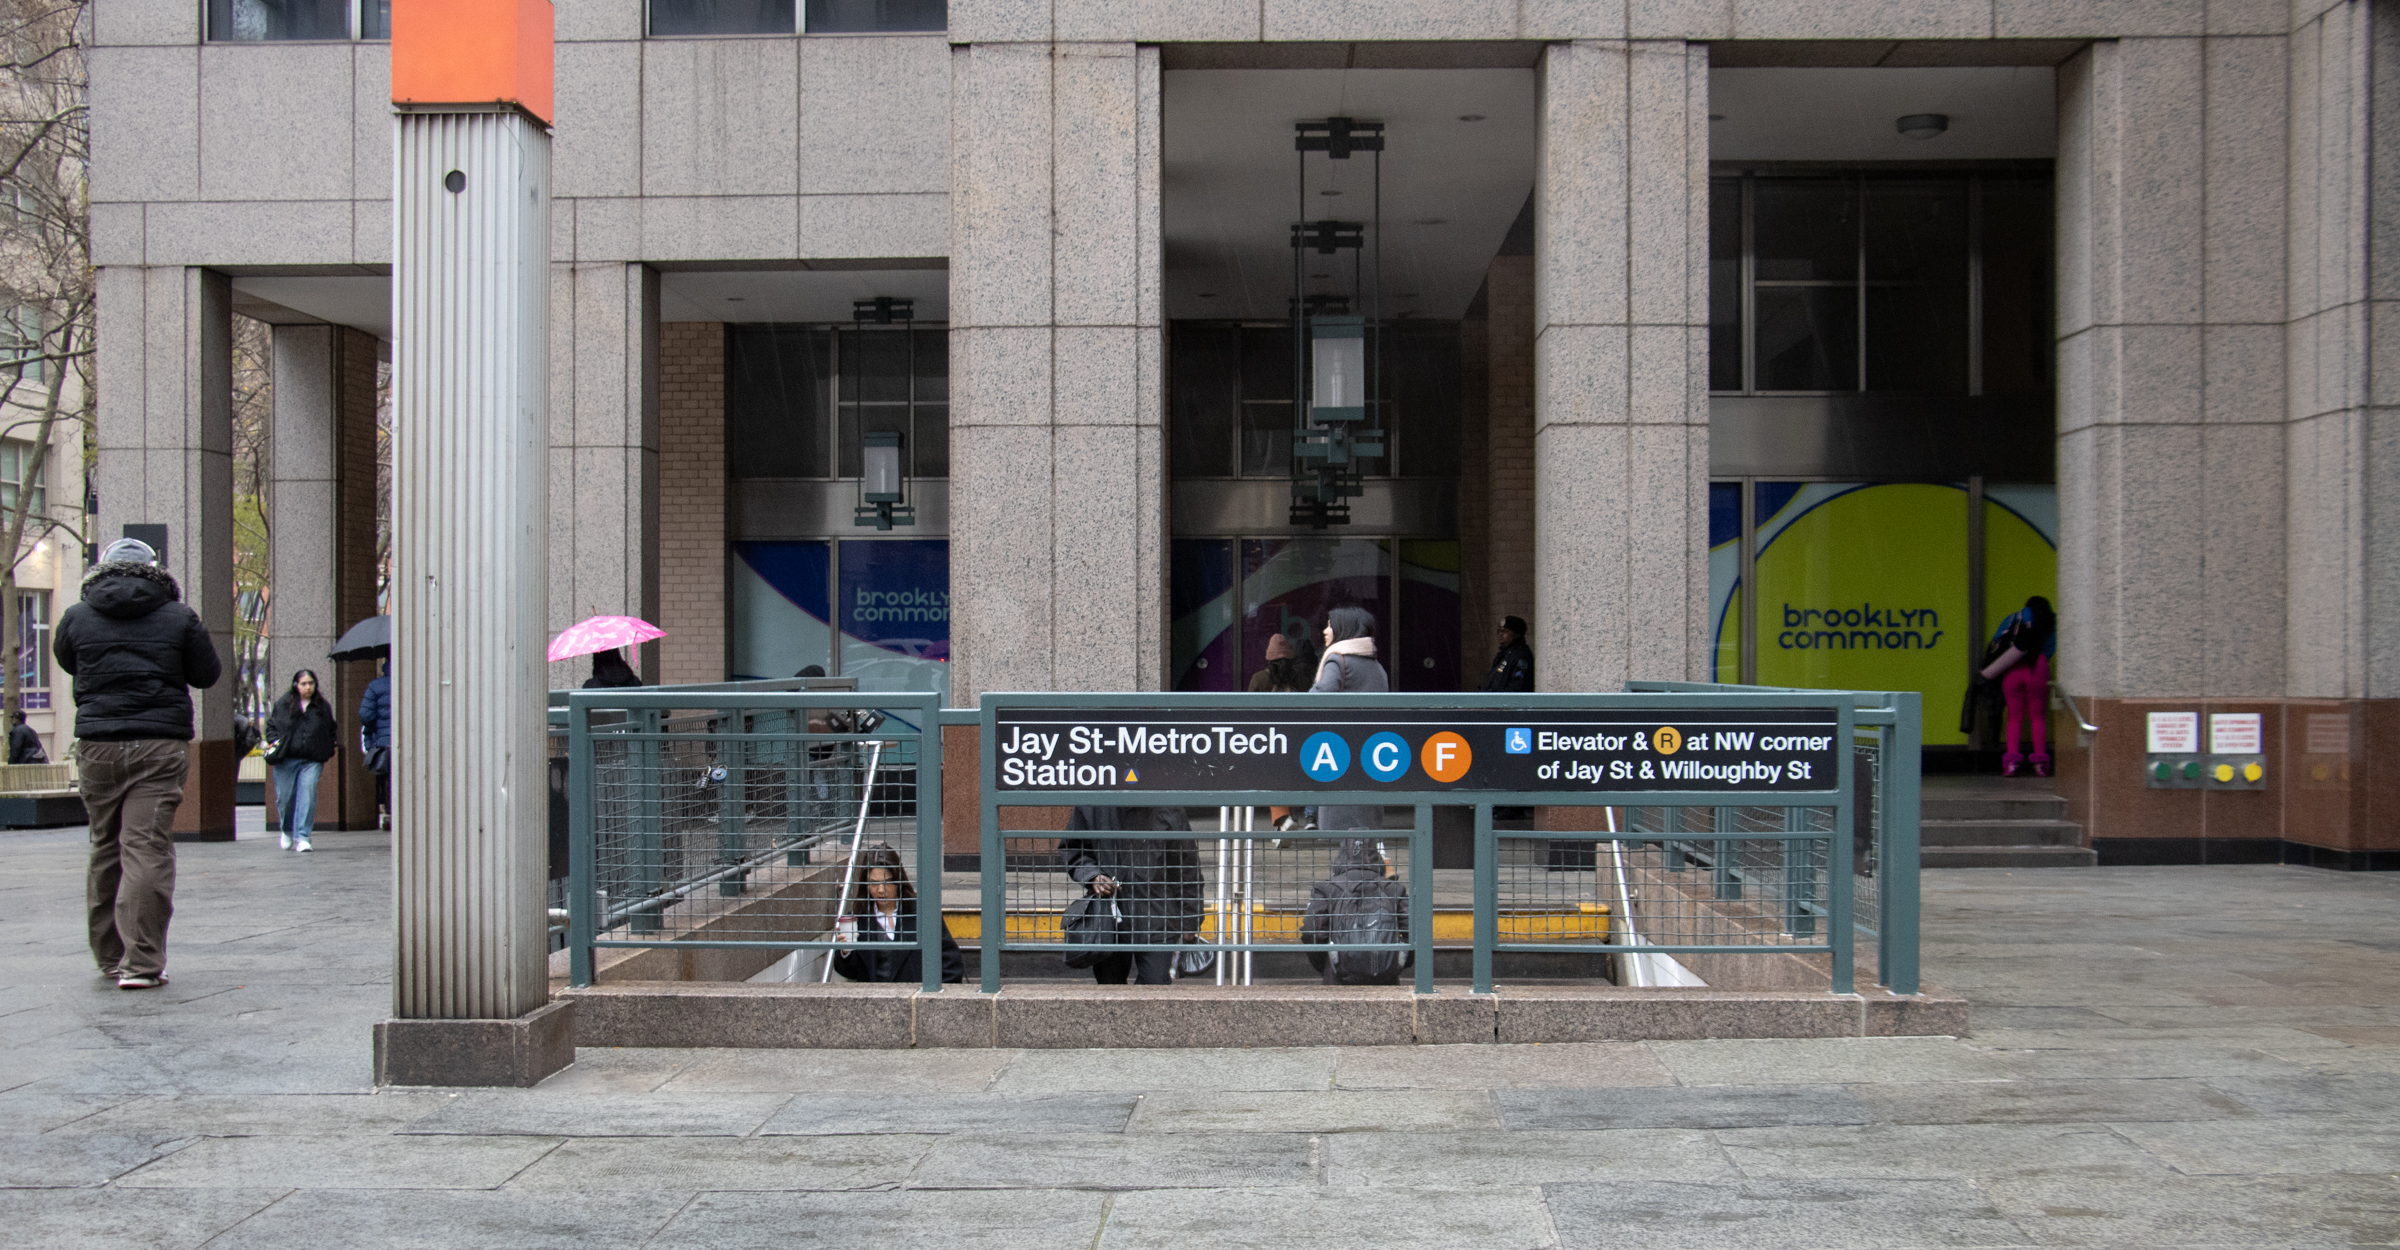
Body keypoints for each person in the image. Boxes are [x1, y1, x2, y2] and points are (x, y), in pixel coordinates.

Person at [54, 537, 222, 990]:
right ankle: (142, 964)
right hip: (158, 743)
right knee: (145, 847)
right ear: (156, 570)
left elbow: (69, 662)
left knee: (105, 846)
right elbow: (206, 674)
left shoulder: (77, 616)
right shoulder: (179, 616)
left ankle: (110, 958)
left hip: (98, 744)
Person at [1059, 806, 1202, 985]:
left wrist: (1190, 920)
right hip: (1109, 916)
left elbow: (1186, 869)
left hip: (1156, 914)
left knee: (1155, 986)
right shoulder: (1093, 804)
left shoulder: (1169, 808)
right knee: (1111, 987)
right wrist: (1093, 876)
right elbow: (1074, 848)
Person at [829, 845, 964, 984]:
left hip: (915, 994)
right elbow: (850, 972)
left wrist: (934, 994)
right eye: (873, 883)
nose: (881, 890)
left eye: (887, 882)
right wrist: (846, 951)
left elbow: (950, 961)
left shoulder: (923, 913)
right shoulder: (858, 919)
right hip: (876, 995)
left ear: (898, 880)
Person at [1311, 606, 1388, 836]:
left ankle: (1355, 857)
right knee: (1363, 818)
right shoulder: (1375, 665)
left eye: (1330, 625)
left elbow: (1320, 695)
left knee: (1343, 817)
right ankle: (1364, 854)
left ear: (1344, 628)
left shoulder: (1337, 659)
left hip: (1341, 750)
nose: (1325, 631)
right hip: (1370, 750)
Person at [1300, 838, 1410, 985]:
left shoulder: (1327, 888)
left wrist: (1326, 965)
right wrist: (1398, 963)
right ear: (1376, 855)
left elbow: (1312, 931)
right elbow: (1414, 929)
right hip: (1386, 979)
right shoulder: (1394, 889)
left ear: (1342, 855)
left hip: (1338, 980)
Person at [264, 669, 339, 852]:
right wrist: (276, 743)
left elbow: (331, 729)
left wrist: (328, 748)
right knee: (285, 798)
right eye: (303, 684)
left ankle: (303, 837)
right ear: (296, 685)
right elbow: (272, 726)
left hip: (312, 759)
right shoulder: (284, 704)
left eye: (311, 683)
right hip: (286, 759)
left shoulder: (322, 707)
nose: (308, 687)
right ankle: (286, 830)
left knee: (308, 795)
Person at [1982, 595, 2058, 777]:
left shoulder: (2013, 618)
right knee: (2038, 717)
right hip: (2037, 667)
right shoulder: (2049, 620)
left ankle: (2011, 764)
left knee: (2014, 718)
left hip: (2012, 666)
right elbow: (2050, 648)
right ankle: (2040, 764)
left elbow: (1997, 641)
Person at [1248, 631, 1311, 832]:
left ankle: (1283, 819)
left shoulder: (1259, 679)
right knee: (1290, 777)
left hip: (1268, 740)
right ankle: (1288, 821)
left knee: (1274, 777)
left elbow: (1248, 712)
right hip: (1298, 739)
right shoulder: (1301, 679)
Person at [359, 658, 391, 830]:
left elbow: (365, 714)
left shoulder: (376, 685)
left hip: (385, 741)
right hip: (412, 741)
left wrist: (374, 731)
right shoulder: (417, 679)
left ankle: (390, 813)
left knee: (389, 779)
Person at [1481, 615, 1535, 693]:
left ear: (1516, 634)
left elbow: (1518, 686)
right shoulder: (1504, 655)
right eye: (1499, 631)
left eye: (1506, 631)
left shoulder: (1521, 655)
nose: (1501, 634)